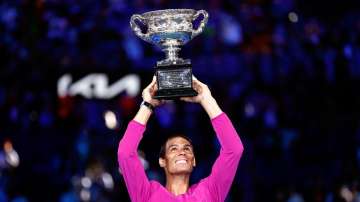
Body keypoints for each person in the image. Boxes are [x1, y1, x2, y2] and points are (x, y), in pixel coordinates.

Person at [118, 76, 244, 202]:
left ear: (193, 161)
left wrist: (207, 99)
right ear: (162, 161)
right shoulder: (147, 194)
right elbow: (125, 153)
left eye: (187, 149)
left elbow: (234, 150)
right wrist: (148, 105)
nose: (182, 152)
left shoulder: (210, 191)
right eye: (173, 149)